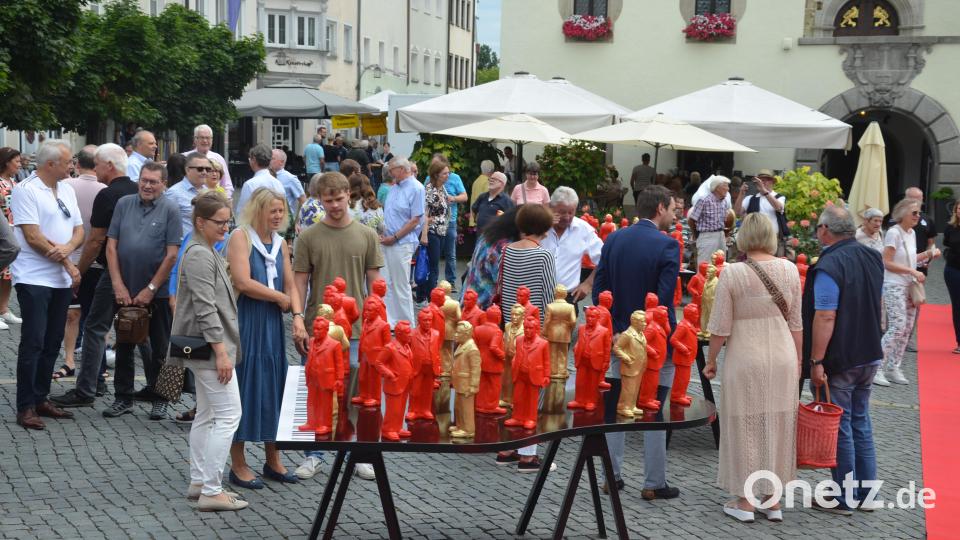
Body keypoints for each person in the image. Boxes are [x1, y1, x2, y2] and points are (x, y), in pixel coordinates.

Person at [702, 213, 802, 522]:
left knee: (743, 423)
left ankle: (745, 500)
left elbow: (720, 327)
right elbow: (796, 323)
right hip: (783, 354)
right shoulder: (789, 270)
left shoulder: (732, 273)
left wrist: (710, 360)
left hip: (745, 355)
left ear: (744, 237)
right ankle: (772, 501)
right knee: (778, 423)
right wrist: (797, 362)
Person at [292, 171, 383, 480]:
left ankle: (357, 451)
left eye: (339, 199)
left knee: (355, 392)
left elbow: (376, 284)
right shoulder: (308, 236)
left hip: (357, 331)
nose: (334, 206)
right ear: (320, 200)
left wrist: (380, 322)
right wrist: (297, 319)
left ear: (349, 195)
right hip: (317, 328)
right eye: (327, 200)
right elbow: (300, 282)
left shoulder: (367, 235)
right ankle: (314, 453)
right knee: (318, 390)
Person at [593, 185, 680, 499]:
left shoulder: (615, 238)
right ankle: (653, 482)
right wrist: (642, 334)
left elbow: (600, 289)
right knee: (652, 406)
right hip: (655, 342)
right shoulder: (668, 246)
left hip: (620, 338)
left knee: (617, 404)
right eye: (672, 208)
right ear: (659, 208)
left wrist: (619, 329)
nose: (674, 214)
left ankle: (611, 475)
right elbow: (663, 299)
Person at [170, 191, 247, 512]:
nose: (225, 228)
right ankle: (212, 490)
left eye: (228, 221)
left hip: (200, 348)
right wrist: (221, 352)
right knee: (230, 415)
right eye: (220, 222)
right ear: (200, 222)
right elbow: (204, 308)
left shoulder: (205, 249)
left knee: (207, 414)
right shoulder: (200, 253)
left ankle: (200, 481)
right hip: (209, 348)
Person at [805, 204, 884, 514]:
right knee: (861, 422)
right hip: (869, 352)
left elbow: (825, 315)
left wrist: (816, 361)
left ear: (825, 230)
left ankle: (843, 496)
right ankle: (868, 493)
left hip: (842, 356)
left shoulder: (829, 264)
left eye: (819, 228)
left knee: (842, 426)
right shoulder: (872, 256)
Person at [225, 188, 305, 488]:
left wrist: (297, 317)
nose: (278, 216)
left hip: (271, 325)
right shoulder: (240, 238)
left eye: (281, 211)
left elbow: (291, 285)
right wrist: (279, 298)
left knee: (275, 386)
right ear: (258, 210)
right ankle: (239, 463)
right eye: (273, 210)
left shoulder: (281, 243)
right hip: (247, 321)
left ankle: (274, 459)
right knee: (245, 386)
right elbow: (243, 282)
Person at [50, 144, 139, 410]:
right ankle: (146, 391)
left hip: (110, 273)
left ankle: (86, 388)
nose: (95, 169)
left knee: (95, 329)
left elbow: (95, 240)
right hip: (138, 272)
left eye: (98, 164)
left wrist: (82, 270)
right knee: (138, 332)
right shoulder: (138, 190)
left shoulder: (107, 194)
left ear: (109, 166)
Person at [9, 140, 83, 430]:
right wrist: (67, 260)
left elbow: (78, 229)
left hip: (60, 279)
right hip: (34, 277)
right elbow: (32, 236)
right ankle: (25, 406)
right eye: (68, 162)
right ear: (50, 164)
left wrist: (68, 250)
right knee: (34, 341)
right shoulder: (25, 190)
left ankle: (41, 397)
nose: (72, 165)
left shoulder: (67, 187)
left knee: (52, 341)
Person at [102, 162, 182, 420]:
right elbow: (111, 247)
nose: (147, 185)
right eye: (144, 180)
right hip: (124, 289)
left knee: (161, 349)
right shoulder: (124, 204)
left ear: (164, 184)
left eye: (153, 182)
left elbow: (171, 256)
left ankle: (161, 399)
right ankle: (123, 397)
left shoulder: (170, 209)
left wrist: (150, 289)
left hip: (155, 292)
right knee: (124, 344)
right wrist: (117, 284)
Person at [495, 203, 556, 470]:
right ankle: (527, 454)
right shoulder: (544, 256)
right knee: (532, 395)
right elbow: (548, 297)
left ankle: (506, 449)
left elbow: (501, 288)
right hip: (535, 331)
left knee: (511, 390)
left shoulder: (506, 252)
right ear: (544, 228)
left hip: (510, 328)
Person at [876, 198, 940, 386]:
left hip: (909, 286)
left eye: (919, 213)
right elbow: (886, 262)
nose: (918, 216)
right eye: (914, 213)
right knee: (897, 326)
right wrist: (912, 271)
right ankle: (876, 368)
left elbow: (909, 260)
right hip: (894, 284)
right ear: (902, 213)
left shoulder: (911, 233)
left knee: (906, 329)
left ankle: (894, 367)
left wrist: (928, 254)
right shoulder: (894, 233)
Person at [57, 146, 106, 380]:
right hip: (96, 261)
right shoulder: (104, 190)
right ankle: (99, 364)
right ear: (97, 165)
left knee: (72, 315)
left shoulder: (65, 187)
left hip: (71, 258)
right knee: (97, 318)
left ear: (77, 165)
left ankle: (68, 360)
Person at [541, 186, 603, 310]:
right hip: (537, 296)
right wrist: (542, 226)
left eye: (571, 212)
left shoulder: (583, 229)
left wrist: (588, 283)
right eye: (562, 212)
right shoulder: (538, 225)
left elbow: (605, 258)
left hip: (567, 298)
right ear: (551, 208)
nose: (567, 217)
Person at [380, 157, 424, 326]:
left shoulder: (416, 188)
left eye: (391, 169)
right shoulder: (394, 188)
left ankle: (406, 322)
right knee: (387, 281)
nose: (389, 173)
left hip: (402, 242)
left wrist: (396, 237)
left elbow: (415, 219)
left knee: (401, 283)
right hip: (388, 240)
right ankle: (390, 321)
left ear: (402, 169)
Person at [462, 206, 520, 309]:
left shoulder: (490, 235)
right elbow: (503, 283)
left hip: (470, 299)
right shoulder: (502, 245)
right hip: (484, 307)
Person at [432, 155, 467, 286]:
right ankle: (432, 281)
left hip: (449, 220)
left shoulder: (455, 178)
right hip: (434, 221)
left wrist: (453, 198)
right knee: (434, 252)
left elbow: (464, 196)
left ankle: (450, 281)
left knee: (450, 253)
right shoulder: (429, 179)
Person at [0, 147, 24, 329]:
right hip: (2, 232)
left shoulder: (14, 182)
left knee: (8, 274)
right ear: (6, 161)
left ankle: (3, 309)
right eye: (16, 161)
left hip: (13, 230)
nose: (20, 164)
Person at [420, 160, 450, 302]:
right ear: (436, 174)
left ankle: (425, 294)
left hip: (441, 231)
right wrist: (424, 235)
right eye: (445, 173)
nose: (447, 175)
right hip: (432, 232)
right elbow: (425, 213)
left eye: (448, 173)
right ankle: (431, 298)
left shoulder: (442, 188)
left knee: (435, 264)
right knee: (433, 267)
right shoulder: (430, 190)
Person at [688, 175, 731, 266]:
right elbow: (692, 220)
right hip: (707, 235)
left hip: (720, 235)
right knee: (705, 266)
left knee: (721, 266)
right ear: (717, 188)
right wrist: (697, 235)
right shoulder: (704, 200)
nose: (728, 188)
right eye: (725, 186)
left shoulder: (724, 202)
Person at [167, 154, 213, 236]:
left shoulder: (207, 191)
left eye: (208, 169)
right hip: (185, 245)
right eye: (200, 169)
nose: (204, 172)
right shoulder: (174, 193)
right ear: (187, 170)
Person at [183, 124, 234, 196]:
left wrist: (223, 199)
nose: (205, 140)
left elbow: (227, 186)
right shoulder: (185, 157)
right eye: (202, 137)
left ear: (212, 140)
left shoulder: (219, 158)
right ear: (195, 139)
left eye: (208, 138)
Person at [235, 144, 284, 218]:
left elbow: (242, 212)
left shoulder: (250, 184)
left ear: (253, 160)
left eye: (250, 159)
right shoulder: (278, 183)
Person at [269, 149, 307, 238]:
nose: (269, 161)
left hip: (284, 223)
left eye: (272, 158)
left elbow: (303, 200)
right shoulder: (266, 176)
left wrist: (296, 222)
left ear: (281, 162)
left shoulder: (290, 178)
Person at [942, 202, 960, 354]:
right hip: (953, 271)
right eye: (959, 208)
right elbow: (946, 244)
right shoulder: (950, 228)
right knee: (958, 306)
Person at [468, 160, 494, 227]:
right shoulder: (487, 182)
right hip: (485, 218)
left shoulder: (476, 181)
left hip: (476, 217)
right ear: (491, 170)